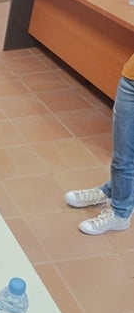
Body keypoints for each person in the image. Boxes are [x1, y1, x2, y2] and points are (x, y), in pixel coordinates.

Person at [65, 54, 134, 235]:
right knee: (122, 156)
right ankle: (111, 190)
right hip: (131, 80)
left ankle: (120, 213)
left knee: (125, 160)